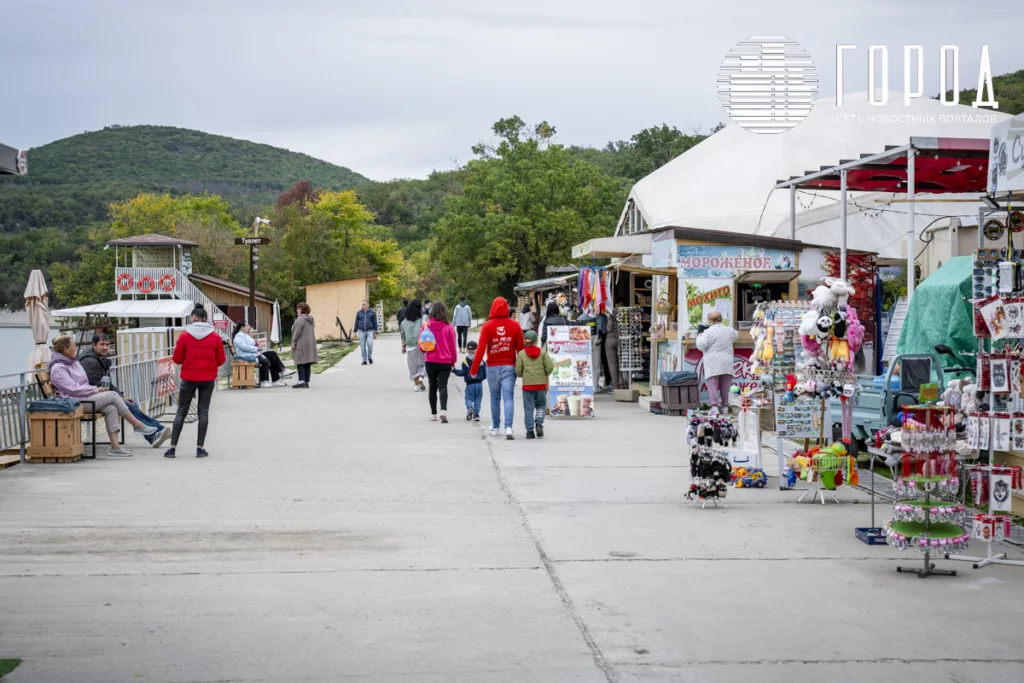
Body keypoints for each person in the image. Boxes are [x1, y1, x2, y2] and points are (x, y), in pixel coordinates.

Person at [49, 336, 160, 457]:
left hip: (83, 398)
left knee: (111, 407)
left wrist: (94, 391)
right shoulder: (58, 368)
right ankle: (137, 425)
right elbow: (73, 389)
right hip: (73, 402)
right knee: (112, 395)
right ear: (65, 349)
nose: (76, 349)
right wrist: (96, 390)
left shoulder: (73, 362)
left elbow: (82, 385)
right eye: (74, 347)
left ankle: (115, 447)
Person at [78, 333, 170, 448]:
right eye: (102, 344)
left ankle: (153, 435)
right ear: (94, 345)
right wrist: (119, 398)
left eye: (107, 344)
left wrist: (120, 395)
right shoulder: (90, 362)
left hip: (98, 396)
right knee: (127, 404)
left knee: (129, 403)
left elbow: (108, 384)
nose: (105, 347)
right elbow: (96, 386)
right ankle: (157, 430)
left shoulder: (100, 359)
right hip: (89, 399)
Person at [165, 305, 225, 458]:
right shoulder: (215, 337)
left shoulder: (184, 335)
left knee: (181, 411)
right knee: (203, 411)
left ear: (192, 318)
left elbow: (177, 359)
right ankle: (200, 448)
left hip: (188, 378)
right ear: (205, 318)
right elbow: (221, 360)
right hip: (208, 379)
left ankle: (172, 448)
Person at [471, 297, 524, 440]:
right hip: (509, 366)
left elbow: (481, 349)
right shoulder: (515, 325)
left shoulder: (487, 326)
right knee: (508, 398)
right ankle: (509, 427)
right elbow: (521, 349)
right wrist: (524, 368)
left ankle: (495, 427)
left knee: (495, 398)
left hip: (492, 367)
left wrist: (474, 369)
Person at [695, 311, 739, 414]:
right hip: (726, 361)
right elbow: (736, 336)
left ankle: (714, 407)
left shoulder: (708, 332)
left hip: (713, 362)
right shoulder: (729, 330)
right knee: (725, 385)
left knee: (712, 385)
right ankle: (725, 406)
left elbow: (702, 345)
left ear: (711, 321)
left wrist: (699, 336)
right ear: (721, 319)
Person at [514, 330, 554, 439]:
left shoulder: (521, 354)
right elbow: (550, 367)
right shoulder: (543, 353)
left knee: (528, 408)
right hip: (541, 385)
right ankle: (539, 423)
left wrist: (524, 375)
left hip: (527, 386)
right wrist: (544, 373)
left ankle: (529, 431)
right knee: (541, 405)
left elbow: (518, 371)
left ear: (524, 342)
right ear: (536, 341)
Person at [423, 301, 457, 423]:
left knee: (432, 386)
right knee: (443, 386)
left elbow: (422, 346)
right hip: (445, 361)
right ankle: (443, 410)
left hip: (430, 361)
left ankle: (433, 414)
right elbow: (453, 346)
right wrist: (453, 361)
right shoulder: (449, 327)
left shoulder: (426, 326)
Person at [232, 321, 287, 388]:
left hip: (252, 353)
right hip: (245, 356)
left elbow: (251, 343)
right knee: (265, 360)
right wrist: (256, 348)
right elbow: (244, 347)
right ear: (242, 327)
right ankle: (263, 381)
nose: (248, 327)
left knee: (272, 354)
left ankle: (277, 379)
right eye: (246, 326)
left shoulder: (245, 335)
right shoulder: (239, 336)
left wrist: (257, 344)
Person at [453, 340, 486, 421]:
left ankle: (470, 408)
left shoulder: (465, 362)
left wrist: (454, 371)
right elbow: (486, 373)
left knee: (469, 398)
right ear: (477, 349)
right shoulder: (481, 361)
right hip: (478, 384)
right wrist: (481, 378)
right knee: (478, 399)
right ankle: (476, 415)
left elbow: (462, 373)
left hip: (469, 384)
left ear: (467, 350)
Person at [291, 302, 318, 389]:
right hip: (310, 343)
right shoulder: (310, 318)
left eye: (299, 309)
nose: (297, 310)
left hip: (301, 342)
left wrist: (294, 341)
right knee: (307, 362)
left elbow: (297, 331)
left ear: (302, 310)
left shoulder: (300, 319)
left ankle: (301, 381)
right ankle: (306, 381)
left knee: (300, 361)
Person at [354, 299, 378, 365]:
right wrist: (355, 331)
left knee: (370, 344)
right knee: (362, 346)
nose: (363, 305)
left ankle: (369, 357)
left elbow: (375, 322)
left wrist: (375, 332)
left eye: (364, 304)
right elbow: (356, 322)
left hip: (370, 331)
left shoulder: (372, 312)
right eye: (362, 304)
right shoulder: (359, 312)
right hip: (361, 331)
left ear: (368, 305)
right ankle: (364, 360)